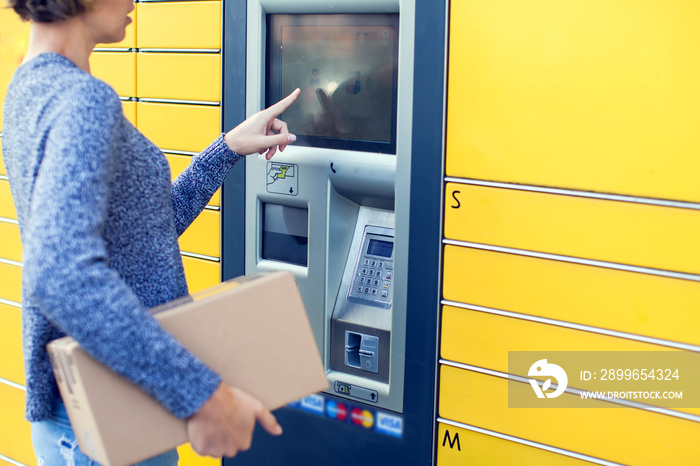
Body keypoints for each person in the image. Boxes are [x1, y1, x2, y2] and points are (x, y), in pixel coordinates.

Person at [1, 0, 301, 462]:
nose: (133, 2)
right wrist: (203, 395)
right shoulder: (84, 101)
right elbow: (60, 273)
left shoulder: (29, 87)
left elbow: (141, 239)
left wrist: (225, 150)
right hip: (109, 416)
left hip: (82, 415)